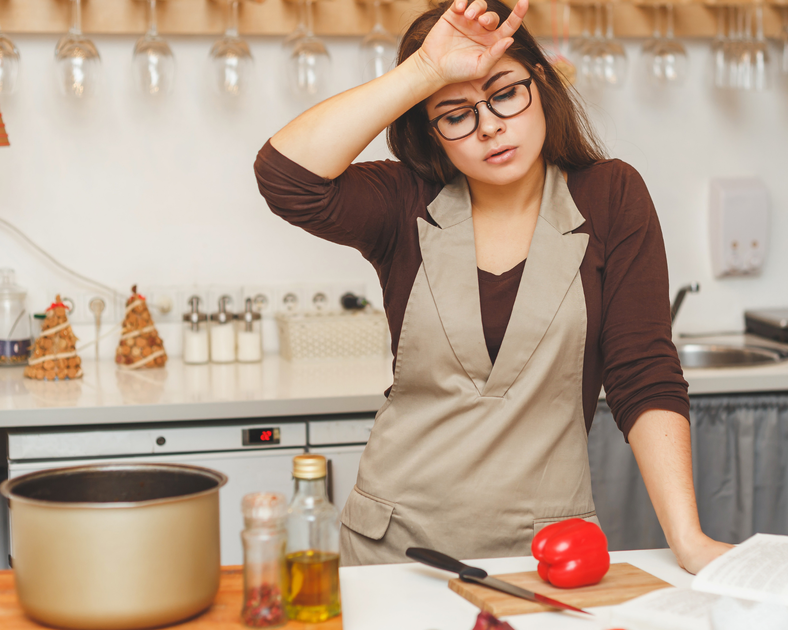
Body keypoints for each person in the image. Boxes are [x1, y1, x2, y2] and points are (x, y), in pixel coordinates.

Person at [255, 0, 731, 572]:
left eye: (506, 93)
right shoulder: (405, 202)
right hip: (394, 547)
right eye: (455, 114)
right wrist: (424, 74)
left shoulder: (610, 196)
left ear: (544, 83)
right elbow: (286, 178)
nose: (489, 127)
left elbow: (643, 375)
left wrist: (688, 539)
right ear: (432, 135)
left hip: (548, 552)